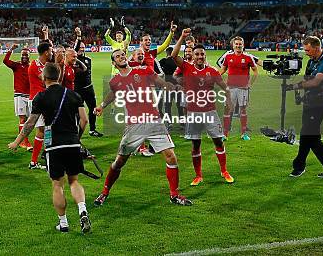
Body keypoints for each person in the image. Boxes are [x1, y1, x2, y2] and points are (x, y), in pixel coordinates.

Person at [93, 49, 191, 206]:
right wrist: (102, 105)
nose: (121, 57)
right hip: (134, 125)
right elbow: (113, 93)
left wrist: (174, 88)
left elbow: (162, 84)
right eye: (117, 56)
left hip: (154, 121)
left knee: (171, 156)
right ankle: (105, 192)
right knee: (119, 162)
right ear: (114, 63)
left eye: (122, 54)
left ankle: (174, 194)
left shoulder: (144, 70)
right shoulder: (115, 81)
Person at [8, 62, 92, 234]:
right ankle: (82, 210)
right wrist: (77, 138)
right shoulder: (74, 95)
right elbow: (84, 120)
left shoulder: (40, 97)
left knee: (57, 185)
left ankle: (63, 223)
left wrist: (17, 142)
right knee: (74, 181)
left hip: (54, 146)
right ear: (59, 76)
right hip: (72, 143)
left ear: (44, 77)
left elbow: (30, 123)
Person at [171, 29, 234, 186]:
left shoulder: (212, 71)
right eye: (197, 54)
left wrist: (229, 101)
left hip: (210, 112)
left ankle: (224, 171)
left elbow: (225, 87)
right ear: (193, 55)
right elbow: (173, 55)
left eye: (202, 54)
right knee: (196, 144)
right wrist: (182, 37)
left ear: (205, 56)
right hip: (193, 113)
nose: (199, 57)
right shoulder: (187, 67)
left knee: (218, 141)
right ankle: (198, 175)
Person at [289, 36, 323, 178]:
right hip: (310, 103)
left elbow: (316, 82)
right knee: (308, 135)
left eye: (307, 49)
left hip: (320, 104)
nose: (305, 52)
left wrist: (295, 86)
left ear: (316, 47)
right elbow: (307, 80)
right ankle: (300, 166)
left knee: (309, 136)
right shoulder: (311, 61)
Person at [218, 36, 258, 141]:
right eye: (236, 44)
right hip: (230, 88)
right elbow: (222, 70)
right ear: (233, 45)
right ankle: (225, 134)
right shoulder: (228, 57)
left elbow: (255, 71)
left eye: (240, 44)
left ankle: (243, 134)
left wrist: (250, 83)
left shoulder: (248, 57)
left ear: (243, 45)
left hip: (243, 88)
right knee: (227, 110)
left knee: (243, 110)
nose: (238, 46)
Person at [27, 41, 54, 170]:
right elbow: (46, 80)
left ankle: (43, 158)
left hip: (45, 100)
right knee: (42, 130)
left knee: (45, 130)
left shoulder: (46, 64)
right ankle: (34, 161)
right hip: (37, 101)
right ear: (46, 52)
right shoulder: (34, 65)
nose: (52, 52)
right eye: (51, 50)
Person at [73, 27, 101, 137]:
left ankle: (92, 129)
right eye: (80, 47)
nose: (82, 49)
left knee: (93, 109)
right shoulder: (73, 61)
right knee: (77, 111)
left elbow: (85, 72)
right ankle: (76, 130)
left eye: (83, 48)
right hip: (78, 89)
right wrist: (78, 37)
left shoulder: (88, 60)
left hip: (89, 88)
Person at [3, 43, 32, 149]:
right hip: (19, 95)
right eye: (23, 54)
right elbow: (5, 61)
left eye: (26, 55)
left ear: (29, 56)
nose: (24, 56)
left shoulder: (31, 66)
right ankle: (24, 142)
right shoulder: (17, 65)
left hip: (30, 96)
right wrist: (11, 50)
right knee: (22, 119)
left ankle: (23, 140)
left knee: (29, 120)